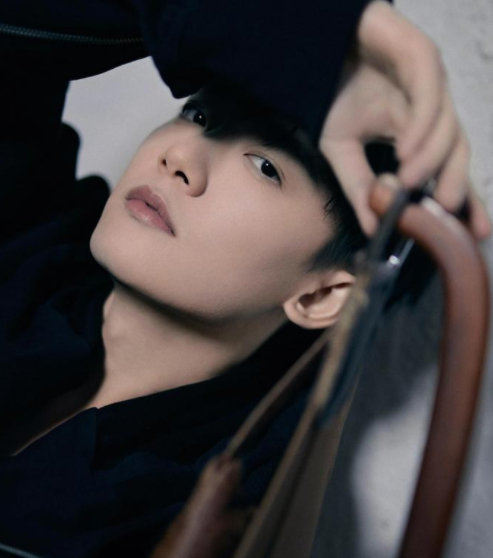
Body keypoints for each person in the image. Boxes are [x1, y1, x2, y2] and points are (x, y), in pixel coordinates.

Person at [0, 0, 489, 556]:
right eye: (199, 116)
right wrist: (299, 29)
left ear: (324, 293)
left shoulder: (210, 516)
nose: (181, 158)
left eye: (265, 167)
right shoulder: (24, 236)